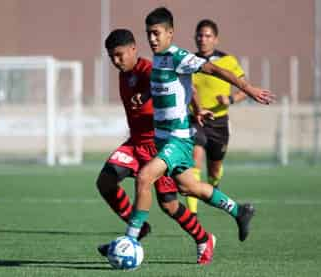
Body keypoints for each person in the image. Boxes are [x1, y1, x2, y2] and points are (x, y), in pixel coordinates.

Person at [113, 7, 274, 252]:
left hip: (177, 140)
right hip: (163, 139)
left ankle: (130, 240)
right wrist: (145, 95)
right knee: (189, 187)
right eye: (149, 34)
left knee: (145, 177)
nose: (152, 39)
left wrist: (248, 89)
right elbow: (174, 87)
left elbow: (217, 70)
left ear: (170, 33)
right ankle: (239, 211)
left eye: (156, 33)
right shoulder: (160, 58)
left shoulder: (179, 56)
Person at [97, 28, 216, 264]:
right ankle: (136, 231)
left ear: (133, 49)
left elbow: (188, 88)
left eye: (120, 55)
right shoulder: (125, 73)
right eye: (111, 57)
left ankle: (204, 238)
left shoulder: (149, 69)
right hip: (135, 143)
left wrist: (198, 110)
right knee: (105, 181)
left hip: (159, 146)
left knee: (170, 205)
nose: (116, 61)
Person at [186, 19, 248, 215]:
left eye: (207, 36)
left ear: (216, 39)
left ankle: (214, 186)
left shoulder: (228, 61)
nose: (202, 39)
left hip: (219, 122)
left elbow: (244, 89)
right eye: (200, 35)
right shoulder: (189, 62)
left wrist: (230, 99)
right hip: (195, 119)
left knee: (214, 168)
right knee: (195, 158)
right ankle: (192, 214)